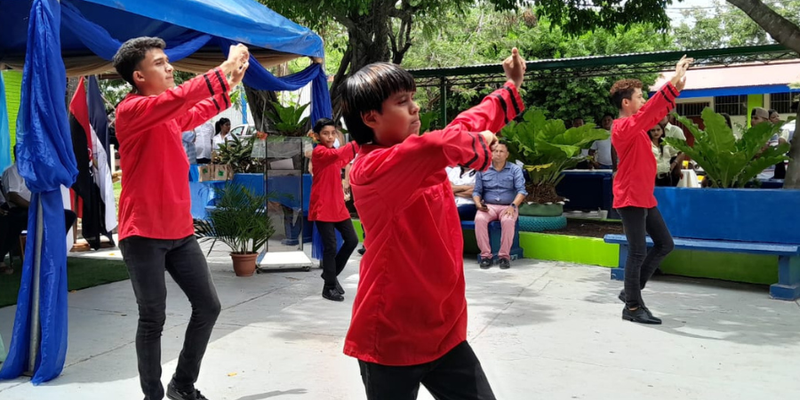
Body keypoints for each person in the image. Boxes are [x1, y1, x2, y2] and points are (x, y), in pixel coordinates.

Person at [342, 48, 525, 400]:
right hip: (391, 334)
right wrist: (480, 143)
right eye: (401, 101)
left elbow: (466, 123)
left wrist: (511, 85)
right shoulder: (370, 170)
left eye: (413, 98)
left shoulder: (415, 154)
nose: (415, 108)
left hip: (444, 328)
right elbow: (441, 143)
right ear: (370, 118)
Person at [112, 37, 249, 400]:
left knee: (208, 306)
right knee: (152, 318)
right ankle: (153, 396)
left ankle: (182, 385)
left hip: (179, 231)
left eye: (167, 60)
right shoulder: (131, 111)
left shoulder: (166, 115)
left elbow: (193, 111)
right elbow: (181, 99)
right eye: (160, 63)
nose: (170, 67)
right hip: (142, 232)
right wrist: (223, 69)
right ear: (139, 76)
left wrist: (231, 82)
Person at [610, 55, 692, 325]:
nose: (643, 100)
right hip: (630, 196)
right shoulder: (623, 127)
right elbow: (649, 113)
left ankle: (630, 291)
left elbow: (654, 112)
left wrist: (676, 85)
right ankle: (632, 307)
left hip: (644, 197)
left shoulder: (638, 128)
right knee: (637, 252)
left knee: (665, 244)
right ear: (626, 102)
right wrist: (672, 82)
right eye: (639, 96)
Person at [0, 145, 77, 275]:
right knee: (14, 221)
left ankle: (52, 251)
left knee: (68, 216)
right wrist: (33, 206)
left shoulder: (34, 171)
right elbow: (13, 196)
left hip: (40, 208)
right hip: (21, 210)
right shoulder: (13, 171)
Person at [308, 118, 360, 302]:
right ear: (317, 136)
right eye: (325, 133)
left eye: (333, 133)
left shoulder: (331, 151)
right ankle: (329, 287)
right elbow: (341, 155)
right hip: (322, 205)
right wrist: (360, 138)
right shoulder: (319, 152)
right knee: (330, 247)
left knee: (352, 240)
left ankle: (330, 277)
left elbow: (345, 158)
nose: (330, 137)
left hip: (337, 205)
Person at [473, 142, 527, 269]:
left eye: (501, 151)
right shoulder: (482, 170)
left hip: (508, 205)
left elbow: (521, 191)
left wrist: (513, 206)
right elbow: (477, 191)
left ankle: (504, 257)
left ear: (507, 154)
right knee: (479, 219)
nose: (498, 153)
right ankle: (485, 256)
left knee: (508, 221)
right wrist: (478, 203)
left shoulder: (515, 169)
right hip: (489, 206)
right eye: (495, 151)